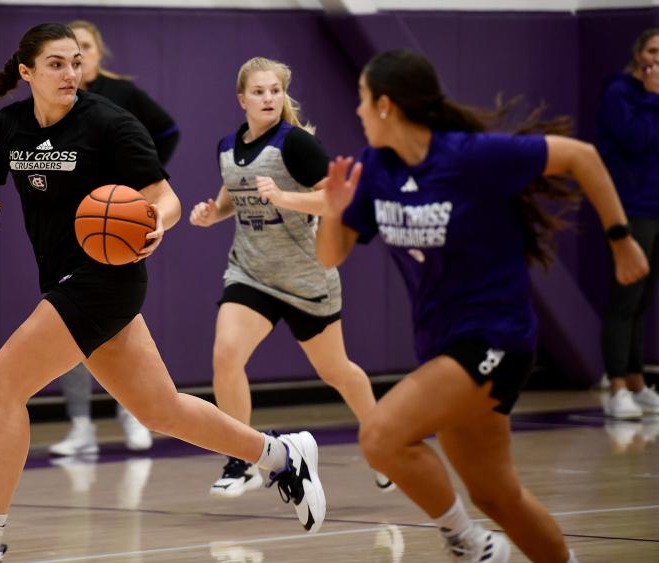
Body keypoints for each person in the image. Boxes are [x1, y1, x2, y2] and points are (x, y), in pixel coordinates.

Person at [0, 24, 325, 563]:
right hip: (62, 279)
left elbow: (164, 197)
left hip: (108, 277)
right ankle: (280, 455)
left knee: (2, 384)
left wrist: (157, 224)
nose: (70, 73)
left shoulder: (108, 122)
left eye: (76, 62)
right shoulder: (5, 127)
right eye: (56, 64)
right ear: (26, 72)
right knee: (161, 410)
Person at [266, 49, 647, 562]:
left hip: (496, 337)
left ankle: (470, 545)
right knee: (496, 495)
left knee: (380, 436)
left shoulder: (471, 155)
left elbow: (583, 157)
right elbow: (330, 256)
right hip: (442, 343)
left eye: (361, 100)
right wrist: (333, 212)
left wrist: (621, 239)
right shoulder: (375, 168)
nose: (355, 111)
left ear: (386, 105)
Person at [189, 56, 387, 497]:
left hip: (307, 279)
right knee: (226, 354)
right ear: (242, 99)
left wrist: (282, 197)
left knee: (337, 371)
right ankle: (240, 458)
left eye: (275, 91)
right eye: (259, 92)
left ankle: (382, 441)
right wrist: (210, 213)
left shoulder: (296, 145)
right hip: (251, 272)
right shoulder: (227, 146)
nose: (268, 98)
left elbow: (334, 203)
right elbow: (231, 200)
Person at [48, 19, 182, 456]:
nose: (78, 56)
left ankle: (134, 412)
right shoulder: (57, 102)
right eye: (70, 49)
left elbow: (168, 130)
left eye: (84, 47)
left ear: (97, 52)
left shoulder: (121, 95)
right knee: (68, 323)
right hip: (71, 221)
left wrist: (137, 176)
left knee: (112, 319)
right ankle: (82, 425)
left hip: (115, 220)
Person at [597, 28, 659, 419]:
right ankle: (616, 383)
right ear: (638, 54)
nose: (658, 60)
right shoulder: (619, 93)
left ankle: (637, 382)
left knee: (644, 300)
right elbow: (635, 140)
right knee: (625, 298)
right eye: (653, 50)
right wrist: (653, 97)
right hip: (630, 207)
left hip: (657, 205)